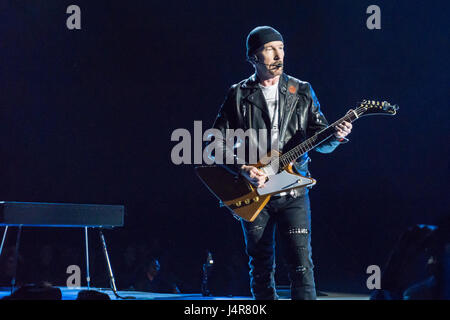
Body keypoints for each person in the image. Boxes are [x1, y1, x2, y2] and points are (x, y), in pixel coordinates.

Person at [208, 26, 352, 300]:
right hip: (255, 193)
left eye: (281, 47)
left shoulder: (302, 91)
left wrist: (337, 136)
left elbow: (321, 140)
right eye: (269, 48)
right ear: (253, 57)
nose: (278, 54)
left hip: (293, 191)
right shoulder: (238, 94)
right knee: (261, 269)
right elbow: (214, 144)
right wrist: (243, 168)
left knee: (302, 268)